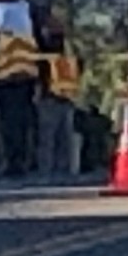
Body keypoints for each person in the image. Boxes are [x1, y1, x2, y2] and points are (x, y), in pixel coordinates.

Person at [0, 0, 42, 177]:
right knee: (23, 122)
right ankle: (24, 160)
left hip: (8, 77)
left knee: (9, 123)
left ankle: (14, 162)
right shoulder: (26, 10)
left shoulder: (5, 10)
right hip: (26, 75)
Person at [37, 11, 81, 178]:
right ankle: (48, 172)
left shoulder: (66, 47)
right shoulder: (47, 46)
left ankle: (60, 171)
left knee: (62, 137)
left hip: (64, 97)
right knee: (50, 137)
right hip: (52, 97)